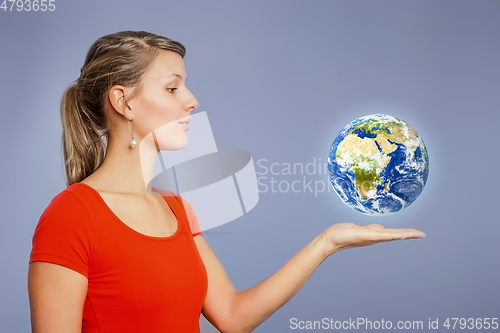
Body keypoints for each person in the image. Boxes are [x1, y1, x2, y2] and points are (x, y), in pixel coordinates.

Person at [27, 30, 425, 333]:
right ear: (123, 102)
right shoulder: (72, 216)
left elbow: (233, 316)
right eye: (172, 87)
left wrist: (328, 242)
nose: (192, 100)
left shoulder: (177, 210)